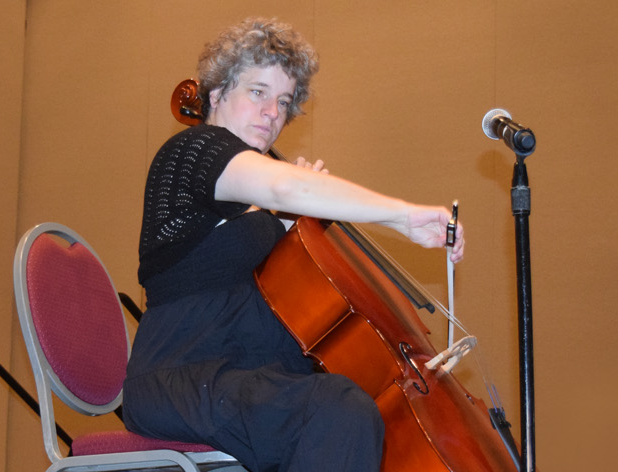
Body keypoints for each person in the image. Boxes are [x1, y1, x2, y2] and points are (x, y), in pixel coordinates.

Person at [123, 18, 465, 472]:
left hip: (251, 379)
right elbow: (284, 187)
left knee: (350, 406)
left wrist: (294, 225)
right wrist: (402, 215)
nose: (272, 112)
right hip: (180, 377)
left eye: (283, 101)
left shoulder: (261, 208)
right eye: (258, 92)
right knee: (338, 410)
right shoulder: (193, 150)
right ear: (218, 93)